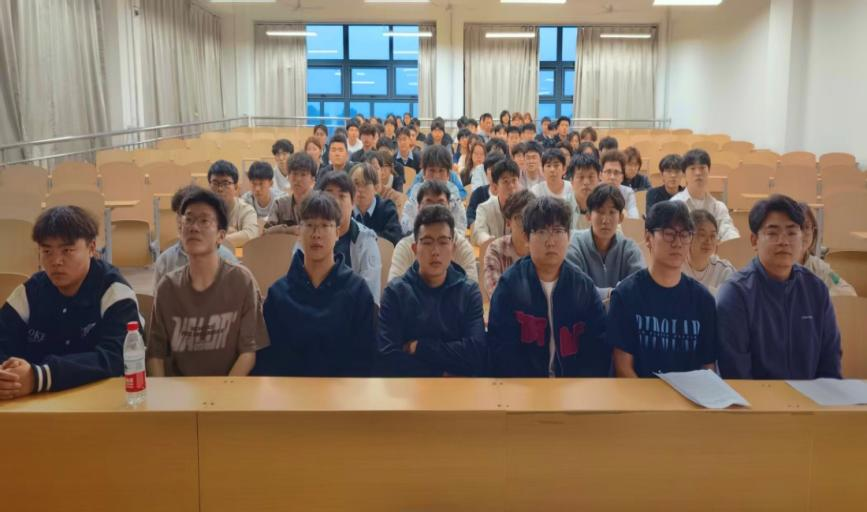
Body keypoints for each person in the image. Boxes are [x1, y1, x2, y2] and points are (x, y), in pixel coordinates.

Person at [0, 206, 141, 398]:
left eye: (67, 250)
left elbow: (117, 357)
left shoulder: (114, 291)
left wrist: (38, 377)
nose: (56, 261)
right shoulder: (30, 291)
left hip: (102, 400)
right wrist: (8, 376)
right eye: (47, 251)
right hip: (37, 403)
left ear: (91, 248)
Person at [147, 188, 269, 377]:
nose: (194, 227)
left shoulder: (242, 281)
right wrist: (162, 392)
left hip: (229, 389)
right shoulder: (167, 287)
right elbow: (156, 354)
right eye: (188, 220)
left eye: (204, 221)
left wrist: (223, 391)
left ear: (221, 236)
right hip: (179, 391)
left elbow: (248, 353)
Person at [717, 194, 841, 379]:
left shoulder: (816, 290)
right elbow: (736, 375)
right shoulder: (736, 294)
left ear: (802, 238)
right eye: (773, 233)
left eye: (792, 232)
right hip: (755, 397)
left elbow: (830, 366)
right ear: (754, 241)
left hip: (811, 396)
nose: (784, 241)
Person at [254, 192, 377, 377]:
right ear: (299, 232)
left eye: (325, 226)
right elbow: (268, 362)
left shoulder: (357, 291)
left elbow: (366, 360)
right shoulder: (279, 294)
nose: (316, 234)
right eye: (309, 225)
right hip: (290, 391)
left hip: (344, 391)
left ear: (337, 233)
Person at [487, 196, 609, 378]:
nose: (551, 241)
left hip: (574, 387)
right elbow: (501, 351)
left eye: (558, 231)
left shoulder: (583, 287)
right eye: (542, 232)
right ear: (527, 238)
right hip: (523, 387)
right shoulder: (509, 286)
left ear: (569, 236)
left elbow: (597, 350)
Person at [607, 201, 717, 377]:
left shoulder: (703, 301)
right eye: (669, 234)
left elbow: (708, 367)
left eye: (685, 235)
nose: (677, 243)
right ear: (648, 238)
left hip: (689, 394)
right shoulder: (626, 295)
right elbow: (623, 367)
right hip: (638, 393)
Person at [378, 206, 487, 377]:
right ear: (415, 249)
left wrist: (419, 347)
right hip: (409, 390)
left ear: (453, 248)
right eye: (427, 242)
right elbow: (388, 359)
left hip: (460, 390)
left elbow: (476, 353)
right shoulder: (395, 293)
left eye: (443, 242)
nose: (435, 251)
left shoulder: (468, 292)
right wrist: (441, 373)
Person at [312, 171, 382, 305]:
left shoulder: (366, 240)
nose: (335, 202)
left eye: (342, 196)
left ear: (353, 201)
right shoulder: (309, 235)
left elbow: (370, 298)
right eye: (329, 195)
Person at [566, 184, 645, 302]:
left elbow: (640, 286)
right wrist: (612, 293)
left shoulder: (630, 249)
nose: (605, 220)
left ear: (621, 218)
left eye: (612, 212)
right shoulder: (574, 245)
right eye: (600, 212)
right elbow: (574, 287)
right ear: (588, 216)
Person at [389, 181, 479, 284]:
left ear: (449, 208)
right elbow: (394, 289)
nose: (435, 208)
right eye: (429, 203)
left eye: (441, 203)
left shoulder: (462, 247)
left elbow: (472, 288)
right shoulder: (405, 247)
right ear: (418, 208)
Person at [154, 185, 238, 288]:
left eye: (203, 220)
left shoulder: (229, 262)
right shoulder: (165, 261)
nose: (182, 220)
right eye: (183, 215)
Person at [670, 149, 739, 242]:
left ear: (708, 171)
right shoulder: (674, 205)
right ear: (684, 174)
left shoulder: (718, 207)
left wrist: (733, 242)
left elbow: (728, 231)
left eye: (702, 168)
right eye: (693, 168)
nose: (698, 173)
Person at [401, 145, 468, 236]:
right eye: (432, 171)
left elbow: (460, 228)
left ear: (448, 174)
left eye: (441, 171)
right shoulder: (416, 192)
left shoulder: (453, 192)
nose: (436, 176)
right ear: (424, 173)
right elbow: (407, 225)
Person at [484, 190, 534, 301]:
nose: (526, 224)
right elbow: (496, 294)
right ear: (508, 222)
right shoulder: (495, 250)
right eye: (520, 218)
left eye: (530, 217)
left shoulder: (542, 249)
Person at [798, 203, 856, 296]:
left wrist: (820, 296)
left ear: (814, 231)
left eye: (806, 227)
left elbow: (848, 291)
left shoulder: (818, 266)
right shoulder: (775, 267)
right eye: (794, 228)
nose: (801, 234)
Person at [208, 160, 259, 248]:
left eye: (225, 183)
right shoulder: (202, 209)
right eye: (215, 183)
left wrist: (216, 239)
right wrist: (233, 234)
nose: (220, 189)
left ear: (236, 187)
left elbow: (251, 235)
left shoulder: (246, 210)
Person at [350, 162, 402, 246]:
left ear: (376, 188)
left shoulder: (387, 208)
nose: (360, 189)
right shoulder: (346, 210)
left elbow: (394, 238)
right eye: (356, 184)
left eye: (366, 184)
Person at [265, 153, 317, 235]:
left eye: (303, 174)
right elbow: (266, 233)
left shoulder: (322, 204)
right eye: (295, 174)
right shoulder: (280, 204)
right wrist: (288, 230)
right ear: (288, 177)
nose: (298, 179)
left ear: (312, 180)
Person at [472, 158, 521, 246]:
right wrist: (492, 242)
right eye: (505, 181)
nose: (511, 186)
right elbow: (479, 233)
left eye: (514, 180)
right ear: (495, 187)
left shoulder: (526, 207)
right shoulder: (484, 208)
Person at [466, 152, 504, 227]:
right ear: (486, 172)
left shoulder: (509, 194)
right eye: (490, 169)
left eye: (496, 168)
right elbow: (469, 217)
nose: (493, 172)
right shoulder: (478, 193)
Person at [600, 150, 640, 219]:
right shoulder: (593, 191)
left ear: (622, 177)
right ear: (600, 175)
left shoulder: (628, 193)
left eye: (616, 172)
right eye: (608, 172)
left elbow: (635, 218)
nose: (612, 177)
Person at [565, 153, 601, 230]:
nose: (586, 182)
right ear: (571, 181)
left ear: (599, 179)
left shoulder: (604, 206)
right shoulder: (561, 206)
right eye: (581, 177)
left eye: (591, 177)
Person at [373, 149, 408, 214]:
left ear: (391, 167)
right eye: (379, 167)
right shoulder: (373, 183)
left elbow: (399, 195)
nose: (382, 170)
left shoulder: (397, 179)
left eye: (385, 166)